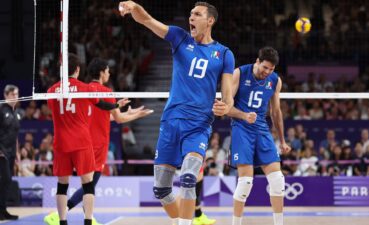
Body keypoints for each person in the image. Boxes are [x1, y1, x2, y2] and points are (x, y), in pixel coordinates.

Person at [118, 1, 234, 225]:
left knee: (189, 177)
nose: (191, 17)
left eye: (197, 14)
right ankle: (184, 219)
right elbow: (147, 20)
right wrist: (134, 6)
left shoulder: (224, 54)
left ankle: (185, 222)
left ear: (210, 21)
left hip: (198, 125)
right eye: (191, 13)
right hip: (171, 121)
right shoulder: (180, 38)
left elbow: (228, 96)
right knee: (161, 189)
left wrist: (226, 107)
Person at [44, 57, 153, 225]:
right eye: (108, 71)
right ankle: (84, 218)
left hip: (63, 141)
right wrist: (133, 112)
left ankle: (62, 218)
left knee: (63, 184)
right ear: (101, 72)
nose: (109, 73)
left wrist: (126, 111)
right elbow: (116, 117)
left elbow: (99, 117)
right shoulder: (93, 91)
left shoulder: (53, 90)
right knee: (89, 184)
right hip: (88, 143)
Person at [227, 47, 291, 225]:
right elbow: (226, 107)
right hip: (241, 126)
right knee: (246, 181)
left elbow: (276, 112)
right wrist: (243, 115)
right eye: (265, 68)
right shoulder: (239, 73)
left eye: (271, 69)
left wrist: (283, 140)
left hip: (262, 128)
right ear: (257, 61)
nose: (267, 72)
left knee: (278, 181)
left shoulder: (275, 80)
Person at [0, 85, 21, 221]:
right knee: (5, 179)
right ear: (6, 95)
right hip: (2, 152)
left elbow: (15, 134)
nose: (16, 97)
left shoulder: (16, 112)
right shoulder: (1, 110)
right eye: (13, 94)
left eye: (17, 94)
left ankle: (3, 210)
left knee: (8, 182)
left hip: (12, 152)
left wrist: (17, 151)